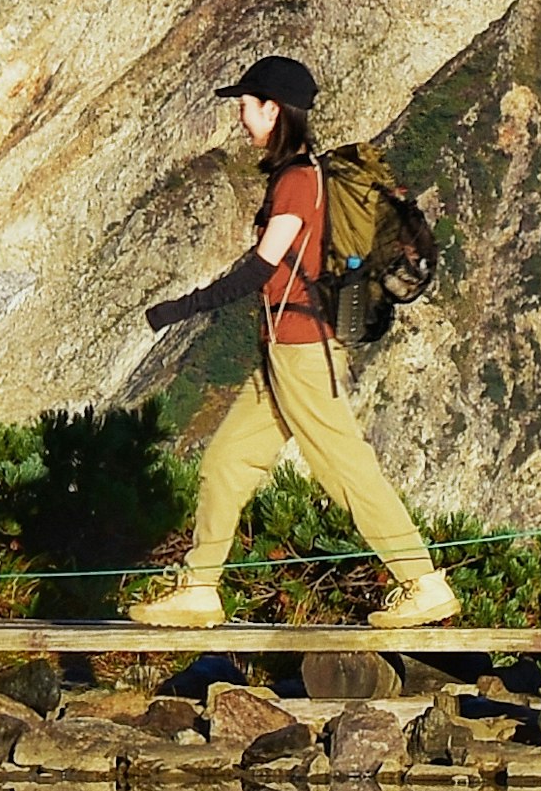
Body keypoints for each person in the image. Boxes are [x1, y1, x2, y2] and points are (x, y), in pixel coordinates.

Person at [130, 54, 458, 631]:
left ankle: (422, 582)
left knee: (344, 466)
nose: (240, 115)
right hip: (282, 351)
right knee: (226, 461)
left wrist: (181, 310)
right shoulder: (297, 175)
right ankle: (200, 587)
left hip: (304, 351)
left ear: (272, 109)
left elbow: (260, 270)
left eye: (246, 104)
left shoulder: (298, 180)